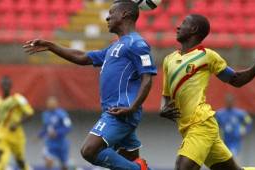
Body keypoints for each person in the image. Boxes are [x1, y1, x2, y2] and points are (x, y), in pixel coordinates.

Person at [23, 0, 157, 169]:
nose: (107, 17)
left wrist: (132, 107)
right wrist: (51, 46)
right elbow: (83, 57)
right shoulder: (115, 46)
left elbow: (148, 78)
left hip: (121, 112)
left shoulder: (137, 43)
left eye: (111, 13)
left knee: (89, 151)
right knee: (127, 160)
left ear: (124, 14)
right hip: (115, 111)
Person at [160, 14, 255, 170]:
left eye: (183, 23)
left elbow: (235, 80)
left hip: (201, 124)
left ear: (194, 29)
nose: (178, 27)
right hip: (187, 128)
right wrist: (163, 108)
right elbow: (166, 95)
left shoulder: (207, 56)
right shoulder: (169, 60)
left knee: (182, 167)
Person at [0, 76, 34, 170]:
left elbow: (30, 113)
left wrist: (17, 123)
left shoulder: (18, 99)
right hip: (1, 133)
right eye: (3, 84)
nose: (5, 86)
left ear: (11, 85)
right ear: (0, 85)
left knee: (20, 161)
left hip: (16, 135)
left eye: (7, 84)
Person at [38, 96, 72, 170]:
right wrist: (40, 135)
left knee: (64, 166)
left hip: (61, 144)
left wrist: (57, 133)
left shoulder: (62, 114)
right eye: (49, 103)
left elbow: (68, 127)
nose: (50, 105)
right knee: (48, 162)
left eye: (52, 103)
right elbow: (46, 128)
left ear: (56, 104)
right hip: (50, 144)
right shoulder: (45, 114)